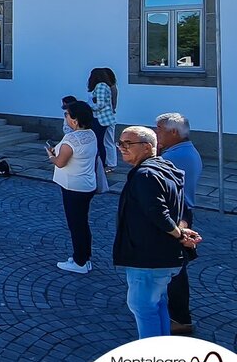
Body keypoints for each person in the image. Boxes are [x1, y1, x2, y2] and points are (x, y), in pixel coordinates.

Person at [113, 126, 201, 339]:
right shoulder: (166, 168)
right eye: (120, 143)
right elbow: (180, 208)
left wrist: (179, 234)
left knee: (143, 308)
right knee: (158, 304)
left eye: (128, 144)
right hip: (164, 256)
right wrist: (181, 232)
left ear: (147, 147)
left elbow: (158, 213)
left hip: (148, 257)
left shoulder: (145, 175)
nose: (121, 148)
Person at [155, 112, 203, 335]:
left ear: (174, 132)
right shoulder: (183, 151)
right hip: (180, 212)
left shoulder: (174, 157)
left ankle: (180, 317)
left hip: (176, 216)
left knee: (174, 269)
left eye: (160, 130)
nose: (157, 134)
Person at [45, 101, 99, 272]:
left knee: (76, 224)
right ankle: (84, 256)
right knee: (82, 223)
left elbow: (60, 162)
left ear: (75, 120)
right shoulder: (91, 134)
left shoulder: (71, 138)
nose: (65, 118)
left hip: (73, 186)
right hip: (87, 184)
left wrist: (51, 157)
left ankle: (79, 261)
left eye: (67, 115)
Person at [87, 68, 115, 172]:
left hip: (102, 118)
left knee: (100, 142)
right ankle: (104, 163)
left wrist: (88, 107)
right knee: (102, 142)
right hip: (102, 118)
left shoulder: (101, 86)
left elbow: (100, 104)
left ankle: (102, 164)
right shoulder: (103, 86)